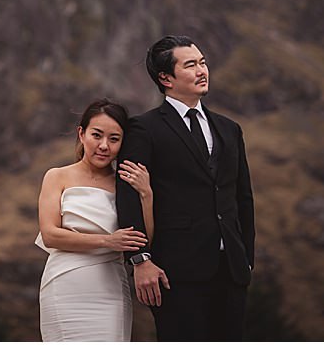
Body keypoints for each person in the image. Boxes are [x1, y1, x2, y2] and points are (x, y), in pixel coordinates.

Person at [115, 35, 255, 341]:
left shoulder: (230, 129)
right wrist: (140, 259)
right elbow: (128, 194)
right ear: (166, 77)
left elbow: (242, 196)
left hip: (231, 269)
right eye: (190, 65)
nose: (202, 70)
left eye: (203, 62)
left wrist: (246, 257)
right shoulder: (144, 128)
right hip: (174, 271)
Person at [36, 98, 154, 341]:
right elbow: (50, 234)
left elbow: (145, 239)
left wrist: (146, 194)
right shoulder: (57, 176)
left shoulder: (125, 184)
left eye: (114, 139)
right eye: (97, 135)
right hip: (64, 283)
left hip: (110, 288)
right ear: (82, 133)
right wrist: (107, 241)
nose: (104, 146)